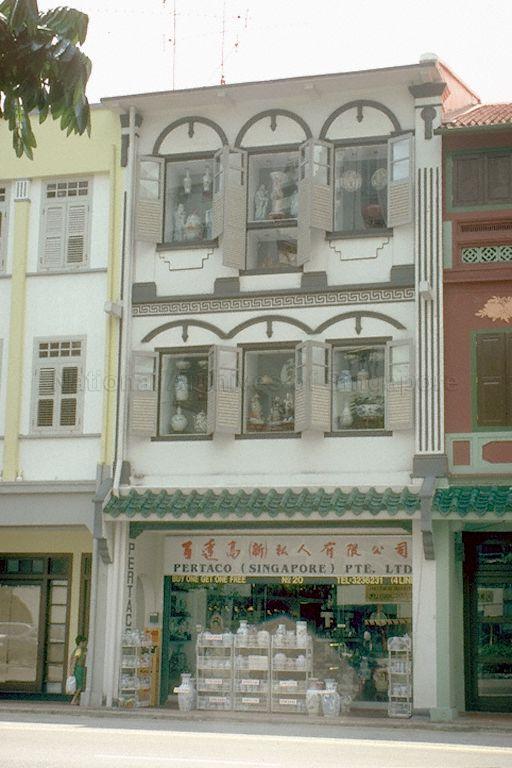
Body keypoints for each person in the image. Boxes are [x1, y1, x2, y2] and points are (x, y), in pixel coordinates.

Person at [68, 635, 87, 705]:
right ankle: (74, 700)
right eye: (84, 643)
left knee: (78, 684)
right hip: (79, 668)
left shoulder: (78, 650)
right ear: (80, 643)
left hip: (79, 668)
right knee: (80, 685)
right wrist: (72, 669)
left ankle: (77, 700)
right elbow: (75, 659)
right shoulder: (79, 650)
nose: (85, 644)